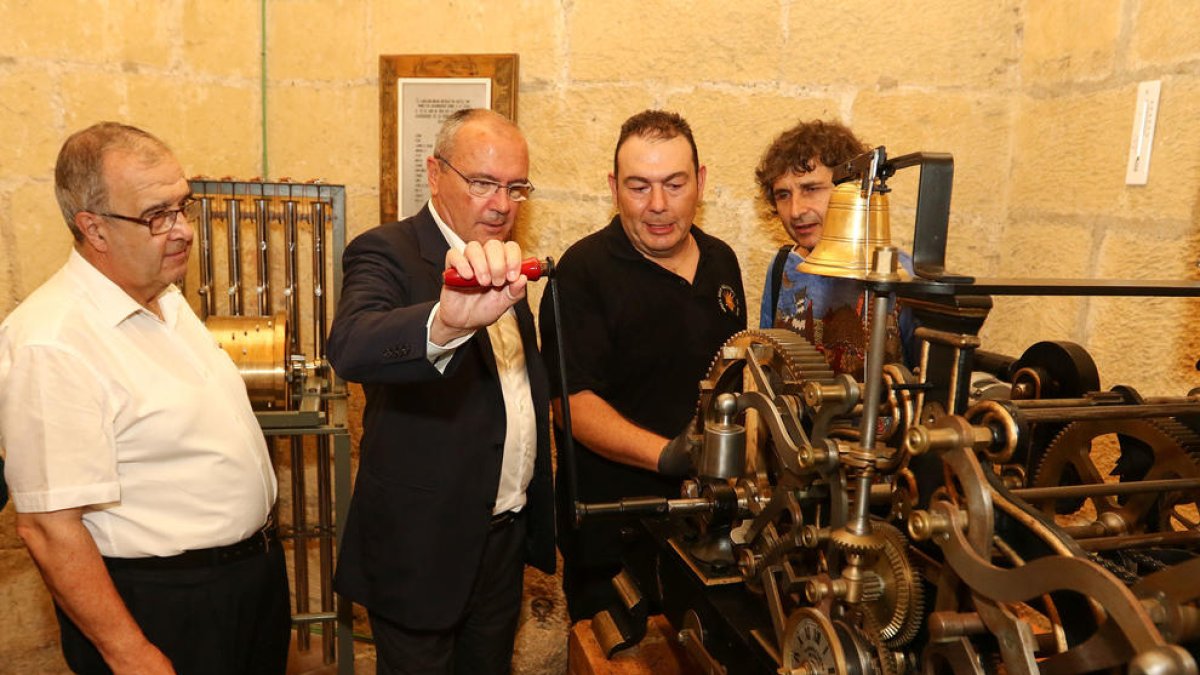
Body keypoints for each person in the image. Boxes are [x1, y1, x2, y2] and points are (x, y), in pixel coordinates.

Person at [0, 122, 289, 674]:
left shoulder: (165, 298)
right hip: (163, 603)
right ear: (94, 228)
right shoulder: (51, 341)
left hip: (245, 583)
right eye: (157, 215)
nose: (182, 230)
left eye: (184, 205)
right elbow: (48, 527)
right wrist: (129, 654)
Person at [327, 108, 554, 675]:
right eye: (482, 183)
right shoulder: (386, 251)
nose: (501, 204)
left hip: (500, 541)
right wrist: (448, 322)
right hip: (420, 550)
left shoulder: (505, 258)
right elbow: (351, 346)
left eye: (515, 187)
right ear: (434, 174)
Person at [540, 110, 747, 622]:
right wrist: (670, 456)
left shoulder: (722, 262)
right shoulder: (581, 272)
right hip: (614, 541)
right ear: (614, 187)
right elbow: (571, 405)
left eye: (674, 184)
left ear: (700, 182)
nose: (658, 205)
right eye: (639, 186)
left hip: (709, 532)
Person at [756, 119, 913, 375]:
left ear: (850, 189)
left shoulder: (901, 275)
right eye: (783, 195)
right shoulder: (783, 267)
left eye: (811, 189)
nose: (795, 211)